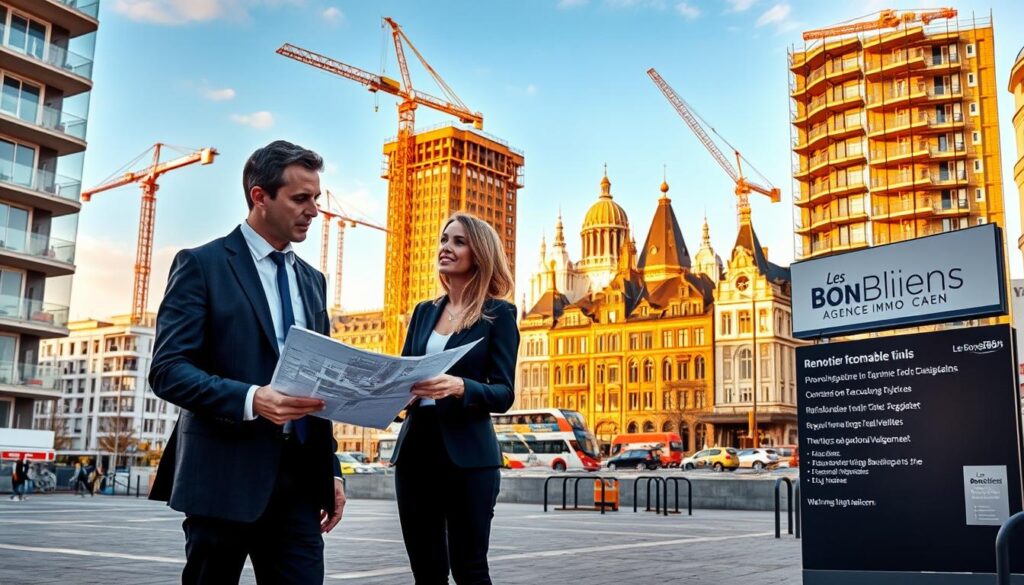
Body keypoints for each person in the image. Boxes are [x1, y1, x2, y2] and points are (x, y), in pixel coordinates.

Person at [148, 140, 345, 585]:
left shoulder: (313, 281)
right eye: (301, 198)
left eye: (316, 198)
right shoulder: (202, 265)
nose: (314, 210)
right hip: (222, 479)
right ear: (260, 196)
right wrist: (252, 399)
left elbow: (320, 381)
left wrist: (330, 470)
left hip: (298, 483)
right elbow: (167, 370)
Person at [391, 212, 520, 584]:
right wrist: (390, 393)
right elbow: (405, 373)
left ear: (478, 253)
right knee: (426, 570)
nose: (446, 247)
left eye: (458, 241)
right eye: (444, 239)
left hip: (468, 455)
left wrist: (462, 387)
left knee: (469, 568)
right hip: (415, 450)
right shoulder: (423, 312)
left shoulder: (499, 314)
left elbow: (504, 393)